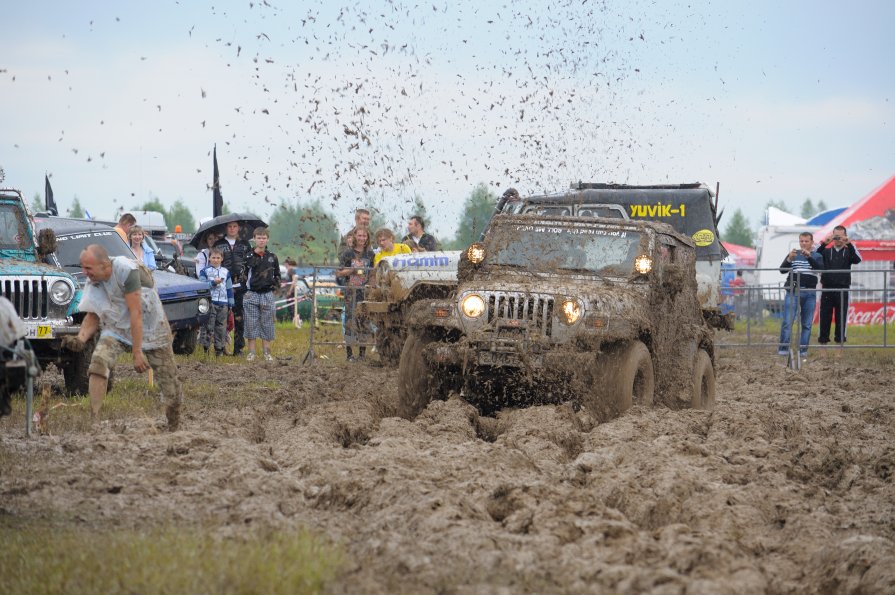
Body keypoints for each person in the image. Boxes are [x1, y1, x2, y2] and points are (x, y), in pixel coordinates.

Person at [62, 244, 182, 429]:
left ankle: (174, 425)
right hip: (117, 325)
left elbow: (136, 312)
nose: (85, 272)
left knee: (169, 383)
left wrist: (137, 352)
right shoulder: (94, 280)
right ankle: (94, 421)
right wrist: (80, 339)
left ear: (104, 265)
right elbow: (92, 314)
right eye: (83, 267)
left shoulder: (126, 270)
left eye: (88, 268)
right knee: (99, 362)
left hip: (151, 325)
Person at [777, 232, 823, 358]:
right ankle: (783, 349)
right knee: (787, 321)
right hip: (793, 291)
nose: (803, 243)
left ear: (812, 242)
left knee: (807, 324)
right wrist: (789, 259)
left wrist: (809, 257)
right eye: (801, 241)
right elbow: (782, 270)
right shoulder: (794, 254)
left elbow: (819, 269)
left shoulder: (817, 255)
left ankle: (803, 350)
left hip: (810, 293)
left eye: (806, 241)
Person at [817, 225, 862, 348]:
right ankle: (823, 345)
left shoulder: (849, 250)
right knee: (824, 317)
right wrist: (824, 243)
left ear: (845, 236)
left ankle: (839, 346)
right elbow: (813, 256)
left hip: (843, 289)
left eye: (840, 236)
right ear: (832, 235)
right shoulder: (826, 251)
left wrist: (850, 244)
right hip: (827, 288)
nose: (837, 239)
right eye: (835, 236)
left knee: (841, 318)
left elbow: (858, 260)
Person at [214, 221, 253, 356]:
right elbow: (214, 262)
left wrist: (248, 283)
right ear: (226, 228)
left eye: (234, 226)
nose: (232, 229)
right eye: (229, 226)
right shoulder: (219, 244)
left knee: (239, 318)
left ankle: (238, 349)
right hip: (222, 286)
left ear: (239, 228)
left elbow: (250, 264)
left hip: (241, 286)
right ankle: (219, 348)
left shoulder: (245, 244)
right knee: (221, 318)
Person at [336, 227, 375, 361]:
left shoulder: (370, 254)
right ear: (354, 237)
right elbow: (339, 272)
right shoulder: (347, 253)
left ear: (367, 238)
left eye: (364, 236)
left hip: (364, 292)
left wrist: (371, 285)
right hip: (350, 291)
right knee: (350, 321)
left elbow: (372, 273)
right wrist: (352, 270)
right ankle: (349, 354)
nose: (362, 238)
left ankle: (362, 354)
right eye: (359, 236)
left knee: (363, 321)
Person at [242, 226, 280, 361]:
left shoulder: (272, 257)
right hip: (251, 293)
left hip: (267, 294)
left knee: (267, 323)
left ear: (268, 239)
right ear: (254, 239)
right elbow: (244, 275)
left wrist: (275, 287)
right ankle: (251, 352)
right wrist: (244, 291)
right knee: (251, 323)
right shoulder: (248, 256)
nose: (262, 241)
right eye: (259, 238)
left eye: (264, 238)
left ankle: (266, 352)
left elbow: (277, 275)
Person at [199, 248, 234, 356]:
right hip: (210, 302)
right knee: (208, 326)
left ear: (222, 259)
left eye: (218, 258)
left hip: (223, 303)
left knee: (221, 327)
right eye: (213, 257)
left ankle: (219, 349)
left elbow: (229, 288)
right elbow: (202, 285)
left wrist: (231, 303)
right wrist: (213, 282)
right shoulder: (204, 271)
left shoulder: (226, 272)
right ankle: (206, 348)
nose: (215, 260)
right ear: (209, 258)